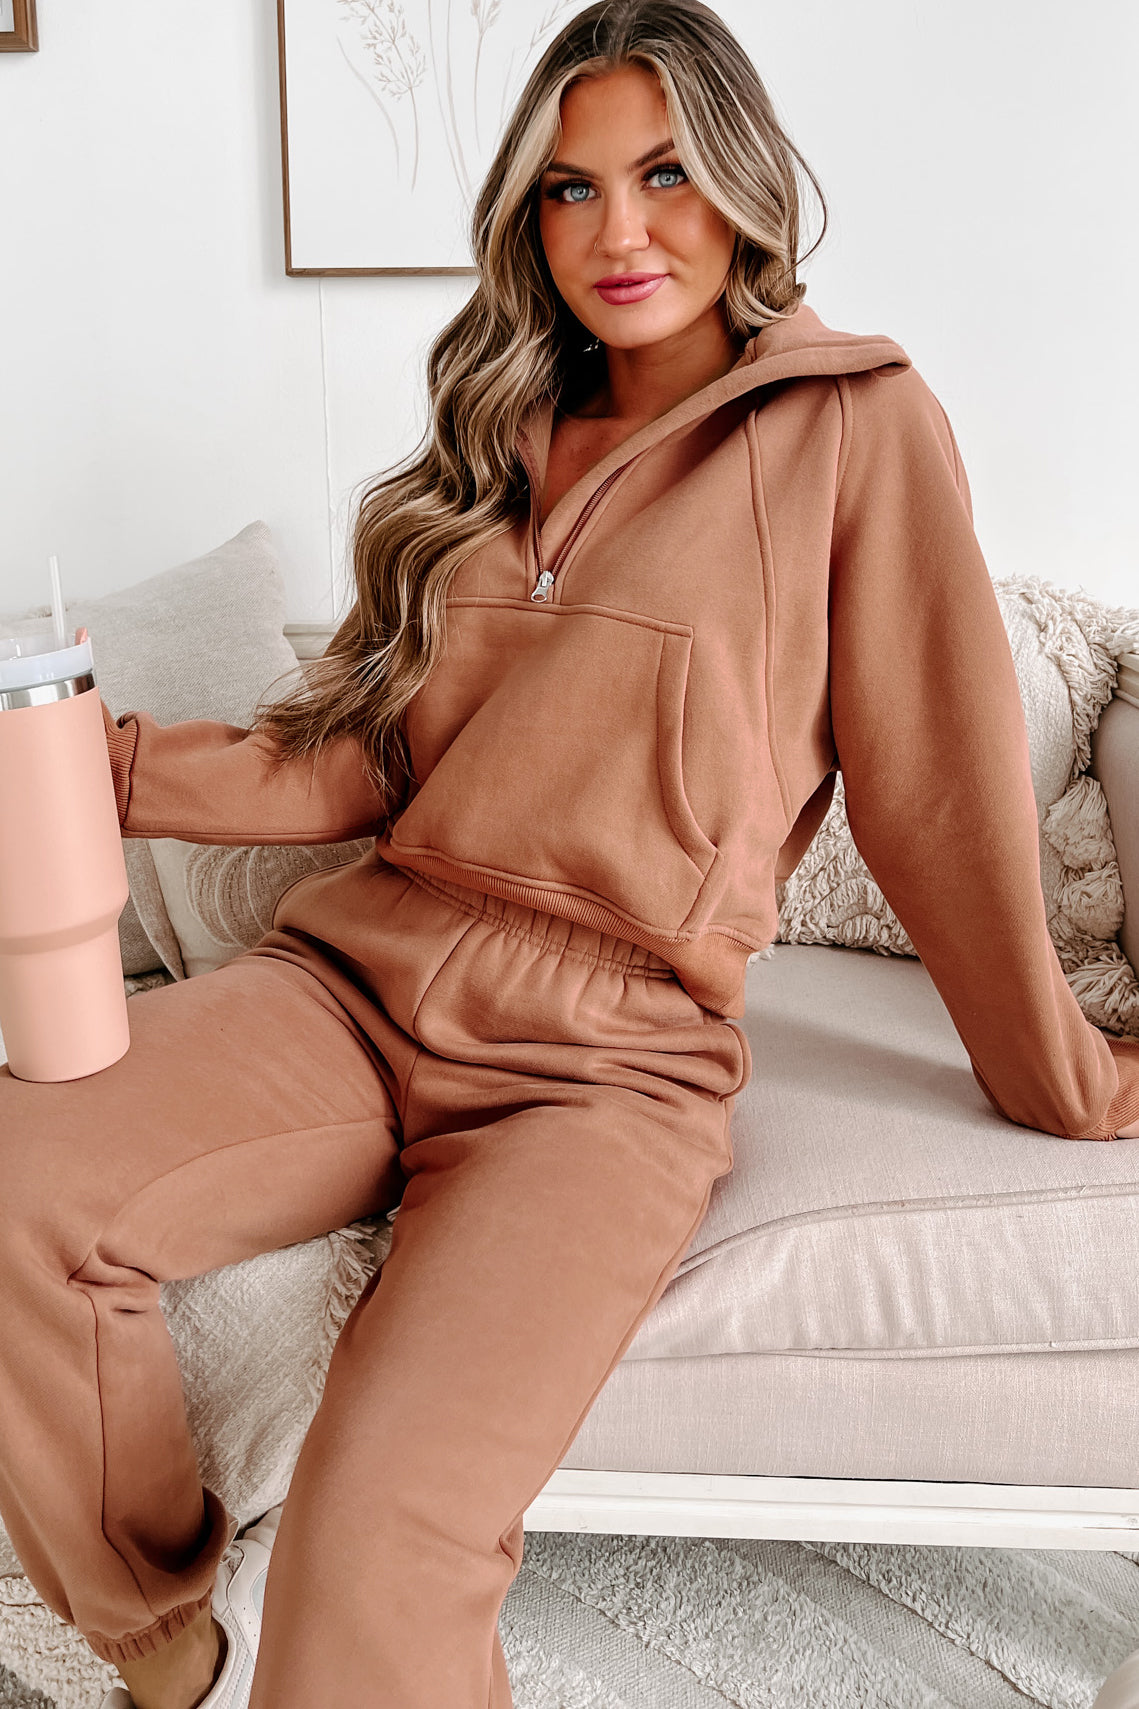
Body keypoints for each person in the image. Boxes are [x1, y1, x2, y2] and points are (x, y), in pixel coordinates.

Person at [2, 2, 1137, 1707]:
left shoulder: (855, 424)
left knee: (379, 1537)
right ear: (526, 216)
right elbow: (362, 755)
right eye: (570, 187)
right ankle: (163, 1642)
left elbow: (938, 801)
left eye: (665, 174)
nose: (621, 232)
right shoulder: (497, 428)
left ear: (743, 181)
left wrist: (1066, 1072)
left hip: (605, 1071)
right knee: (22, 1174)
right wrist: (98, 770)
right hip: (353, 982)